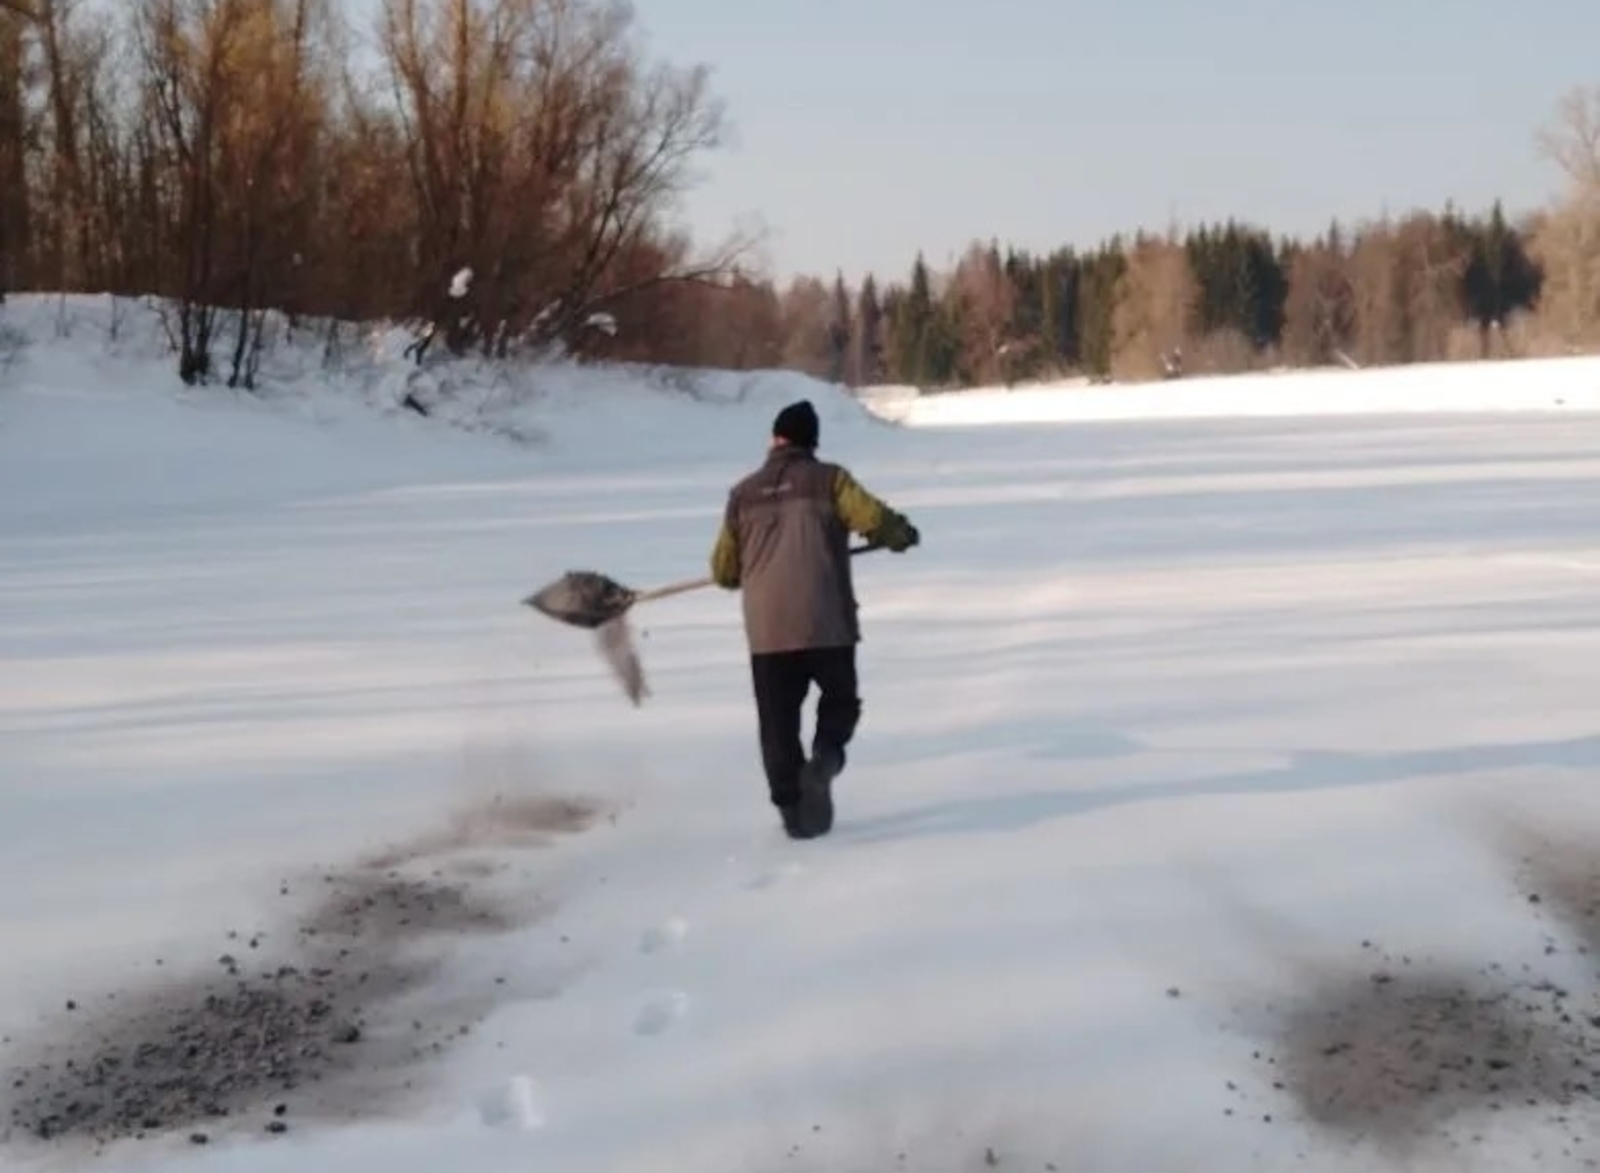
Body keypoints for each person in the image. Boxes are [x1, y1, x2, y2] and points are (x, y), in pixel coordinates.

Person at [708, 399, 919, 839]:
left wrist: (751, 569)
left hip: (768, 631)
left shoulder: (742, 493)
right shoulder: (829, 480)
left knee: (777, 724)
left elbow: (724, 572)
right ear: (812, 442)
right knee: (841, 700)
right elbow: (875, 520)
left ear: (775, 439)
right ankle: (825, 758)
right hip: (827, 621)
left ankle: (791, 811)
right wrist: (900, 535)